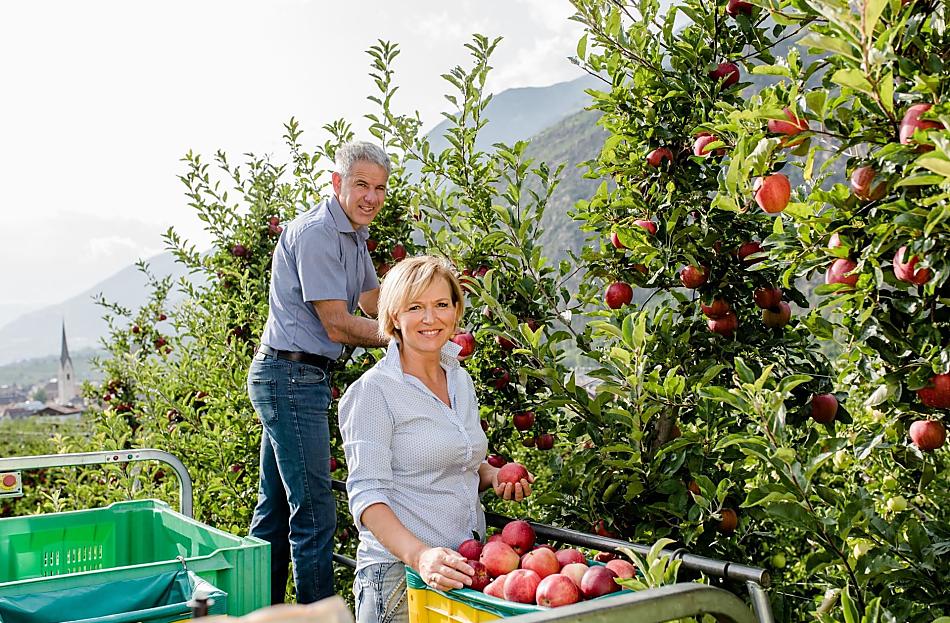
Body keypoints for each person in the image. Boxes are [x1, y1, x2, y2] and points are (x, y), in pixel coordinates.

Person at [338, 256, 534, 623]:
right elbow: (368, 499)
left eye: (441, 305)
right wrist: (420, 556)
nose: (431, 319)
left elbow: (463, 464)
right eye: (415, 307)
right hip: (400, 580)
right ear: (394, 317)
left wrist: (495, 476)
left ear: (456, 310)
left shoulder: (459, 380)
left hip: (461, 569)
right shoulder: (373, 392)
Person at [247, 141, 391, 605]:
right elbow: (337, 322)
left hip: (298, 378)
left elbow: (374, 303)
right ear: (337, 183)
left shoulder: (354, 236)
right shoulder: (315, 234)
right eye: (361, 185)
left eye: (380, 188)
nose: (371, 196)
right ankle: (318, 616)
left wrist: (417, 309)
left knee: (273, 513)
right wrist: (406, 336)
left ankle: (259, 611)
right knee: (314, 515)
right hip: (289, 378)